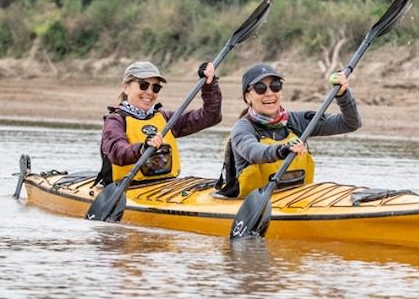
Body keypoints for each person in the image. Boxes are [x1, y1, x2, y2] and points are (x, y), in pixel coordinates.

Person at [216, 62, 361, 197]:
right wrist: (282, 150)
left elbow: (350, 123)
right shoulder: (242, 128)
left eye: (275, 85)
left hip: (296, 202)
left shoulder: (297, 121)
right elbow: (254, 152)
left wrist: (343, 95)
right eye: (260, 88)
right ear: (248, 97)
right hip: (251, 206)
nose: (269, 93)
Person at [98, 59, 221, 185]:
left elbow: (211, 116)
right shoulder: (115, 120)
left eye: (156, 87)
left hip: (163, 188)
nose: (150, 92)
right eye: (143, 85)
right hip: (126, 188)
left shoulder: (165, 119)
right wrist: (142, 148)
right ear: (126, 87)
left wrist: (209, 85)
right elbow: (117, 152)